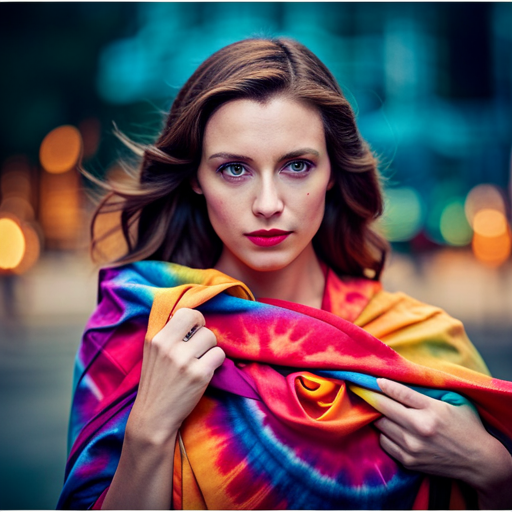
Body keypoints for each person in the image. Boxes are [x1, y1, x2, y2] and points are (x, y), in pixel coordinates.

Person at [58, 37, 512, 510]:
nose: (268, 204)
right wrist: (148, 432)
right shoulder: (137, 331)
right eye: (234, 169)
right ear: (196, 177)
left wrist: (493, 469)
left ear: (332, 171)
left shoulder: (419, 341)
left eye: (297, 165)